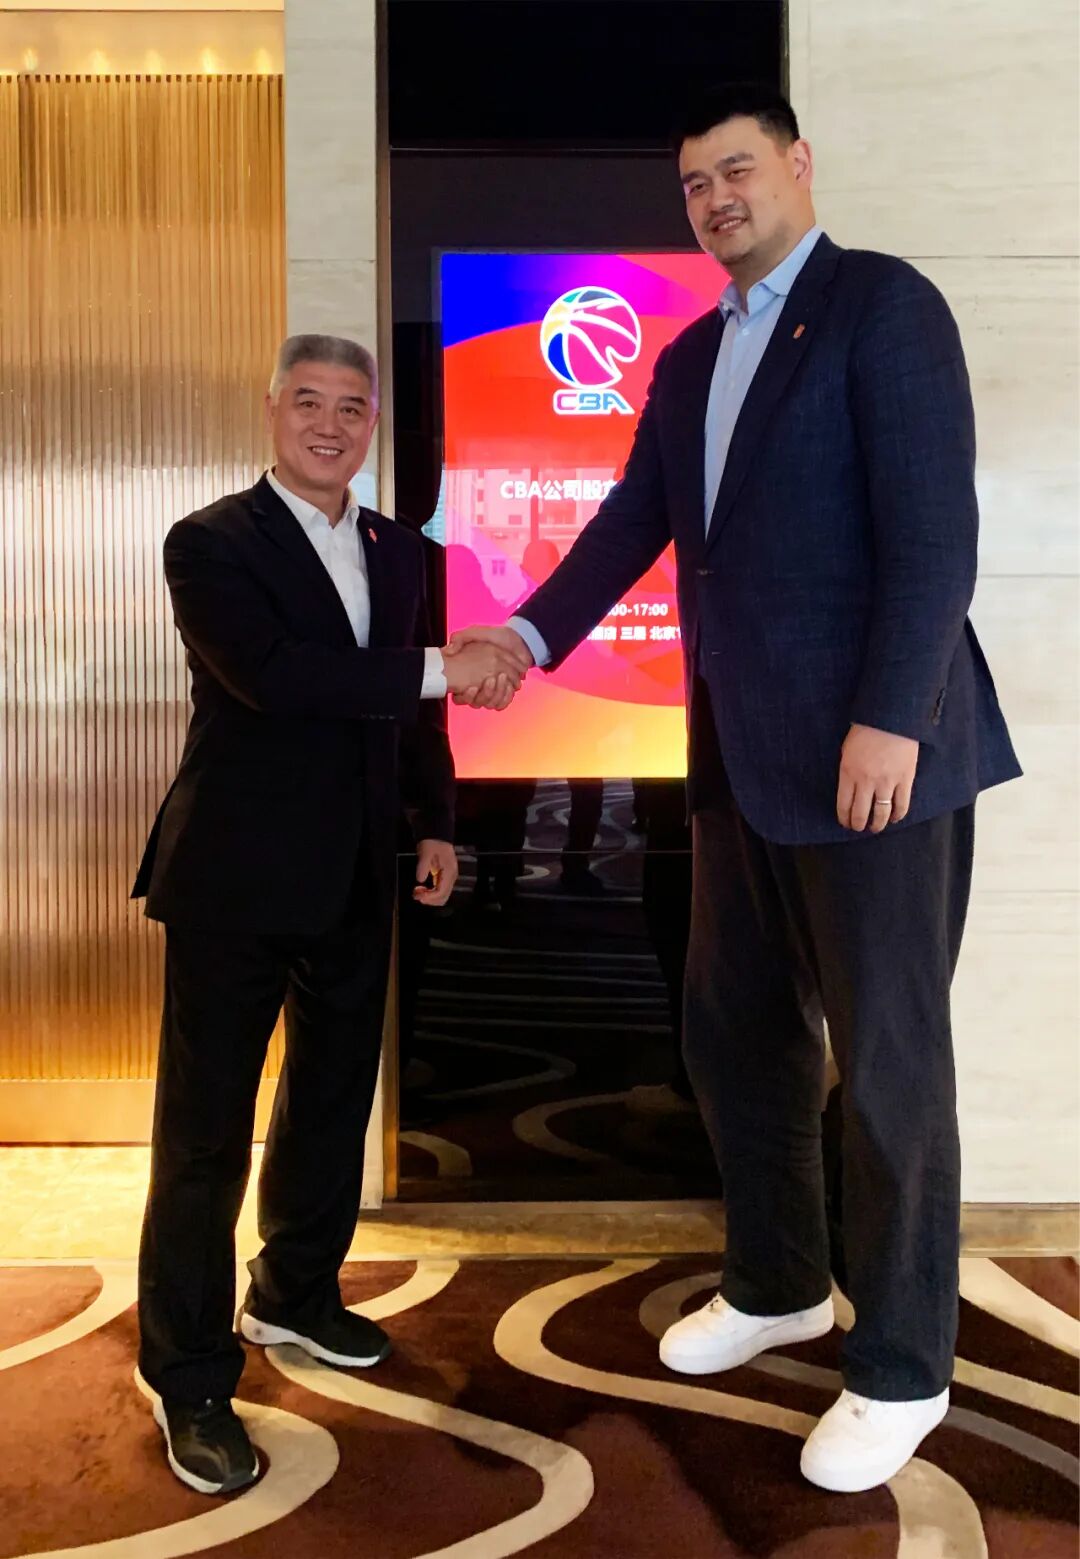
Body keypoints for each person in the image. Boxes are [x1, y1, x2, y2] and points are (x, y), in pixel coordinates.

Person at [447, 83, 1021, 1493]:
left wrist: (891, 715)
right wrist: (525, 636)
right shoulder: (695, 352)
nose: (715, 198)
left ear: (799, 166)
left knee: (888, 1066)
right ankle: (778, 1280)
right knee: (738, 1035)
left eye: (737, 169)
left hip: (877, 758)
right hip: (740, 759)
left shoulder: (883, 308)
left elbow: (934, 534)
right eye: (695, 182)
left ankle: (904, 1360)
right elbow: (633, 520)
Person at [131, 334, 524, 1495]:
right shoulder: (210, 541)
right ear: (272, 410)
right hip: (234, 876)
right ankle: (189, 1372)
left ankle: (294, 1291)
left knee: (331, 1100)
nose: (330, 424)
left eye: (352, 407)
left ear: (372, 425)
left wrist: (436, 822)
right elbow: (277, 675)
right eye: (309, 401)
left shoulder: (405, 552)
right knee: (204, 1134)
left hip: (359, 870)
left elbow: (415, 720)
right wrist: (442, 664)